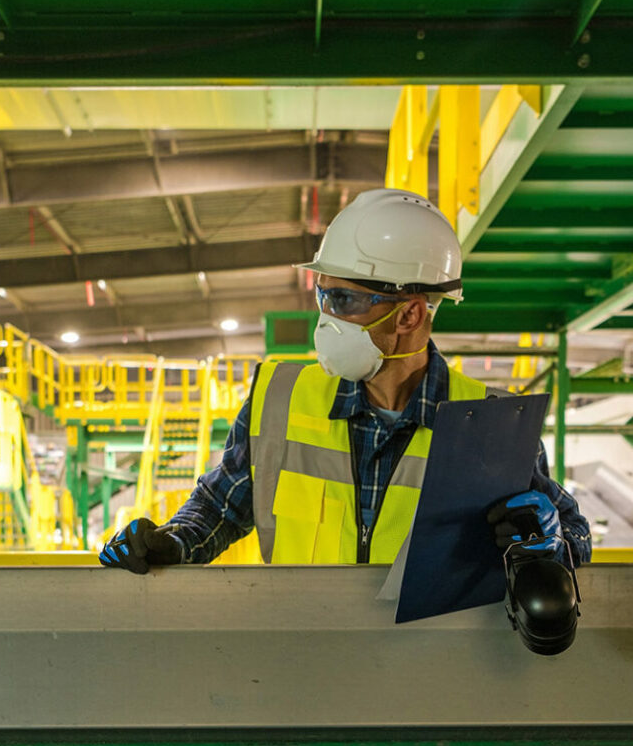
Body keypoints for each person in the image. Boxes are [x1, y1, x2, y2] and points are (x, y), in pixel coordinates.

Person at [98, 188, 590, 649]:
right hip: (303, 668)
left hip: (430, 681)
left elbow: (574, 537)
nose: (325, 319)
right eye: (323, 294)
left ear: (409, 316)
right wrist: (171, 542)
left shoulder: (491, 424)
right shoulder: (280, 399)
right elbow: (220, 509)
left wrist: (548, 544)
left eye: (345, 301)